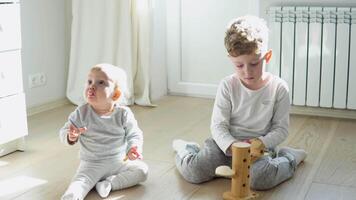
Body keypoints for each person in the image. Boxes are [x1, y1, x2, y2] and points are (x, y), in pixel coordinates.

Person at [172, 15, 307, 190]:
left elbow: (281, 129)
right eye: (239, 65)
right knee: (195, 171)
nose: (247, 72)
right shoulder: (228, 85)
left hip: (259, 150)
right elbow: (218, 126)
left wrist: (263, 142)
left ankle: (289, 157)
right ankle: (187, 149)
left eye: (254, 63)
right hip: (225, 146)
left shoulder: (279, 88)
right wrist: (232, 145)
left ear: (267, 56)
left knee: (260, 179)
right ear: (230, 59)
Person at [59, 63, 148, 200]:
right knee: (77, 187)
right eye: (89, 81)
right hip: (91, 164)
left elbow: (134, 134)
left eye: (101, 83)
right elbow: (64, 131)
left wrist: (133, 148)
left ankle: (109, 183)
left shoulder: (123, 113)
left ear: (115, 94)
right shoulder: (81, 113)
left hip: (119, 162)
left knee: (142, 171)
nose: (92, 86)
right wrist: (71, 136)